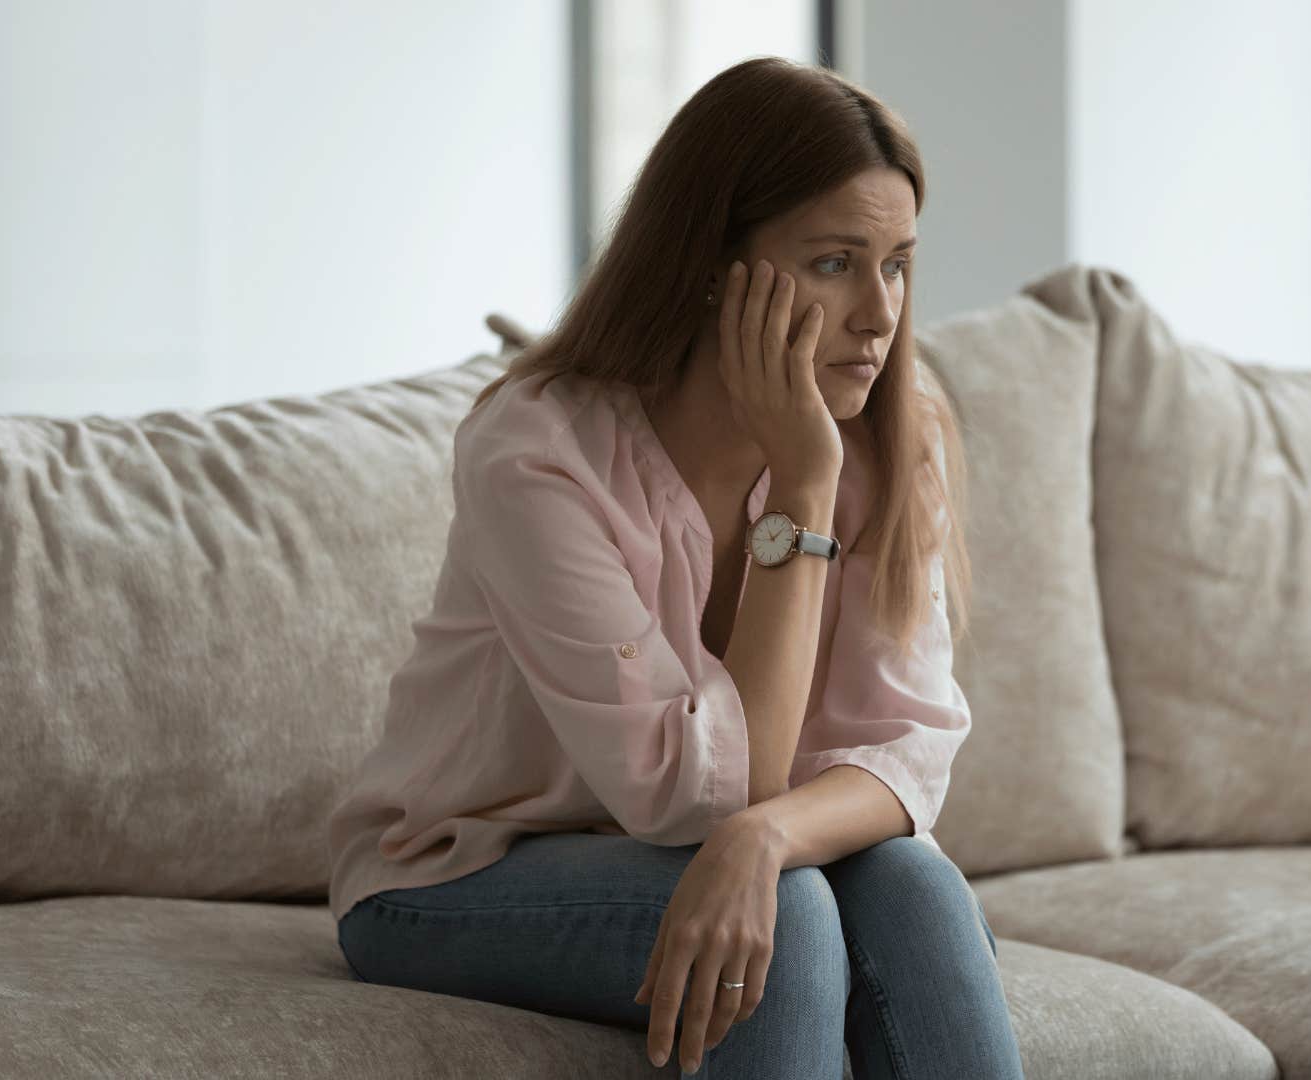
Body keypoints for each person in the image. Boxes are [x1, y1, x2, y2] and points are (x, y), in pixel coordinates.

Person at [326, 55, 1024, 1078]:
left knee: (912, 886)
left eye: (898, 262)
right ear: (712, 262)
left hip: (718, 853)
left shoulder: (897, 439)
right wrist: (803, 486)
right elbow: (686, 799)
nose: (880, 313)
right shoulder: (541, 449)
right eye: (835, 261)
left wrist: (764, 839)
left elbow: (910, 753)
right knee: (784, 915)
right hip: (453, 877)